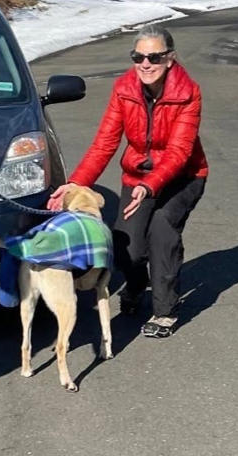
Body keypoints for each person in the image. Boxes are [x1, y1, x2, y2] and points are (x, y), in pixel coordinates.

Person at [47, 24, 208, 338]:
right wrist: (77, 183)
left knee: (162, 231)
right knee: (127, 247)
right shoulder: (124, 89)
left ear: (170, 59)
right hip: (138, 177)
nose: (145, 64)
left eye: (154, 57)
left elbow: (179, 151)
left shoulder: (188, 93)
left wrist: (150, 186)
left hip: (183, 177)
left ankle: (165, 312)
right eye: (138, 56)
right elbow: (105, 143)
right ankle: (136, 287)